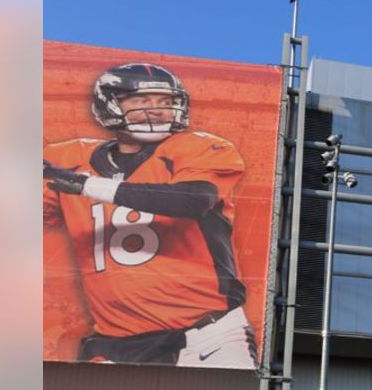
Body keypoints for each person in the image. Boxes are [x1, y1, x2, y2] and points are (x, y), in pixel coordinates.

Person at [43, 62, 256, 367]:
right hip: (116, 344)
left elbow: (192, 200)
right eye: (141, 101)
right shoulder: (67, 158)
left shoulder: (198, 147)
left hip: (206, 337)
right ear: (110, 104)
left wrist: (87, 186)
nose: (155, 110)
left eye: (165, 102)